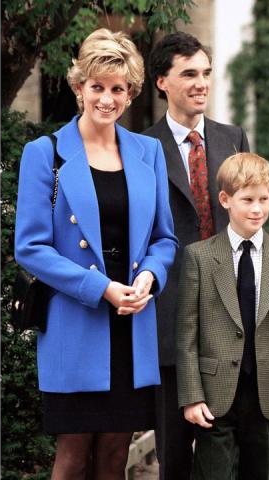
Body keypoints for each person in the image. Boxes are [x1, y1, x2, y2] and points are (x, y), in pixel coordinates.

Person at [14, 28, 178, 480]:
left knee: (113, 457)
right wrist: (101, 287)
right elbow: (29, 247)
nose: (107, 99)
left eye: (118, 89)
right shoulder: (45, 153)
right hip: (76, 322)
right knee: (71, 458)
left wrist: (149, 276)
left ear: (131, 93)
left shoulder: (148, 152)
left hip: (131, 324)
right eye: (98, 87)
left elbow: (165, 239)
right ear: (79, 87)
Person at [142, 31, 251, 480]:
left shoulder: (233, 138)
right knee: (173, 452)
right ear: (162, 82)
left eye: (206, 73)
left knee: (228, 453)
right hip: (169, 316)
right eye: (189, 74)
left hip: (230, 314)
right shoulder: (141, 147)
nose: (201, 83)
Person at [174, 152, 269, 480]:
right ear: (225, 200)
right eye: (247, 200)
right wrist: (191, 396)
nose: (257, 208)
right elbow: (187, 332)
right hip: (214, 396)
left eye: (264, 199)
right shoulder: (200, 257)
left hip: (267, 397)